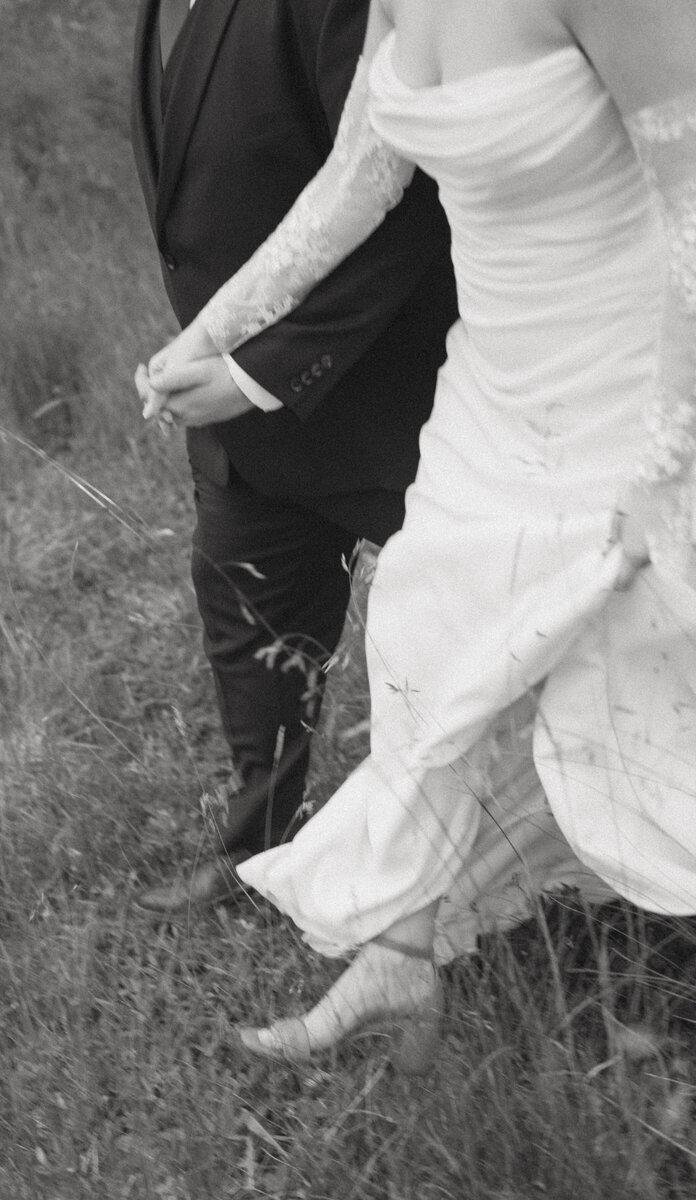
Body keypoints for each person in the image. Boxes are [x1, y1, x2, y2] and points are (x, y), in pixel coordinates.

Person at [140, 0, 696, 1063]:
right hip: (495, 385)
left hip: (631, 391)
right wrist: (209, 338)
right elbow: (356, 178)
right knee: (431, 650)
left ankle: (667, 1004)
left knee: (638, 705)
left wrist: (662, 470)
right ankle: (400, 961)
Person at [130, 0, 457, 913]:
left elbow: (407, 185)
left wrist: (260, 370)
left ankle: (482, 869)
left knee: (466, 643)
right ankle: (259, 855)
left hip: (394, 393)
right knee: (244, 612)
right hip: (241, 411)